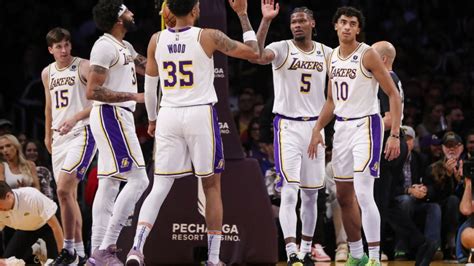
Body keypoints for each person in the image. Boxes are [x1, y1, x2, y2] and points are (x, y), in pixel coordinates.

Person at [125, 0, 259, 265]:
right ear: (196, 11)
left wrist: (152, 119)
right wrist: (243, 15)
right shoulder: (207, 36)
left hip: (168, 114)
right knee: (211, 185)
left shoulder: (155, 39)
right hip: (199, 113)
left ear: (169, 12)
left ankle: (136, 248)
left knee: (160, 185)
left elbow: (151, 89)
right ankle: (212, 258)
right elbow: (254, 53)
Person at [307, 6, 402, 265]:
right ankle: (357, 255)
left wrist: (394, 134)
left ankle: (374, 258)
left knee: (363, 193)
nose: (347, 27)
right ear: (335, 26)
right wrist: (316, 129)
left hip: (366, 127)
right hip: (342, 129)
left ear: (358, 29)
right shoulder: (333, 57)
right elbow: (330, 101)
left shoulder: (368, 54)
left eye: (352, 23)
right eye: (343, 22)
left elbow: (393, 94)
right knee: (343, 196)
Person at [249, 1, 332, 264]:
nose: (296, 25)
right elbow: (257, 55)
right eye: (293, 21)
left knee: (311, 194)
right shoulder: (282, 48)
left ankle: (306, 250)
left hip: (316, 128)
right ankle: (291, 250)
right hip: (288, 126)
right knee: (289, 190)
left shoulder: (327, 53)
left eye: (301, 21)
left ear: (312, 23)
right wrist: (266, 21)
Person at [86, 0, 149, 264]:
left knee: (110, 184)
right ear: (117, 18)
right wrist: (135, 96)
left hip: (117, 115)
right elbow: (92, 91)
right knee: (139, 180)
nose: (132, 13)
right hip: (111, 114)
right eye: (127, 10)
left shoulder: (125, 46)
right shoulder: (103, 46)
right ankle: (107, 247)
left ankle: (95, 255)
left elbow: (148, 67)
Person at [41, 27, 97, 265]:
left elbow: (98, 102)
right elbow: (48, 106)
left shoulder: (83, 66)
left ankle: (69, 249)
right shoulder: (47, 73)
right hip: (59, 137)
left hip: (83, 132)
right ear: (50, 50)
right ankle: (79, 254)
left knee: (63, 190)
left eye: (66, 45)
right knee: (68, 196)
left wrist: (75, 118)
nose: (64, 50)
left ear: (70, 46)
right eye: (58, 47)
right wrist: (47, 135)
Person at [371, 41, 407, 261]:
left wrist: (361, 124)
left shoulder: (387, 78)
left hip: (389, 142)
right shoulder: (394, 78)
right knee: (387, 202)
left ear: (383, 60)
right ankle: (420, 242)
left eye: (372, 55)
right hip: (393, 140)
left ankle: (378, 249)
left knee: (378, 201)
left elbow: (390, 118)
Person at [0, 181, 63, 264]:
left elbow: (55, 226)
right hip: (26, 229)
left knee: (55, 263)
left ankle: (43, 249)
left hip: (48, 226)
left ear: (8, 196)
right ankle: (35, 248)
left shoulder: (32, 196)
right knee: (7, 262)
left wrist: (62, 254)